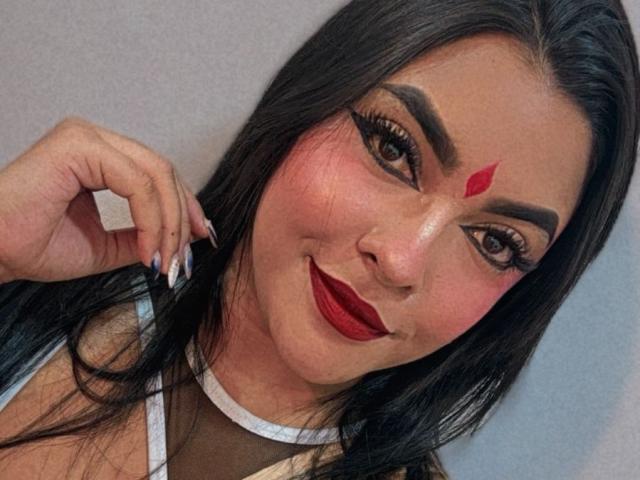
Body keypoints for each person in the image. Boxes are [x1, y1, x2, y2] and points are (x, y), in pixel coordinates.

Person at [0, 0, 638, 478]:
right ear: (308, 102)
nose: (401, 260)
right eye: (393, 149)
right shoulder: (47, 292)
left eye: (496, 242)